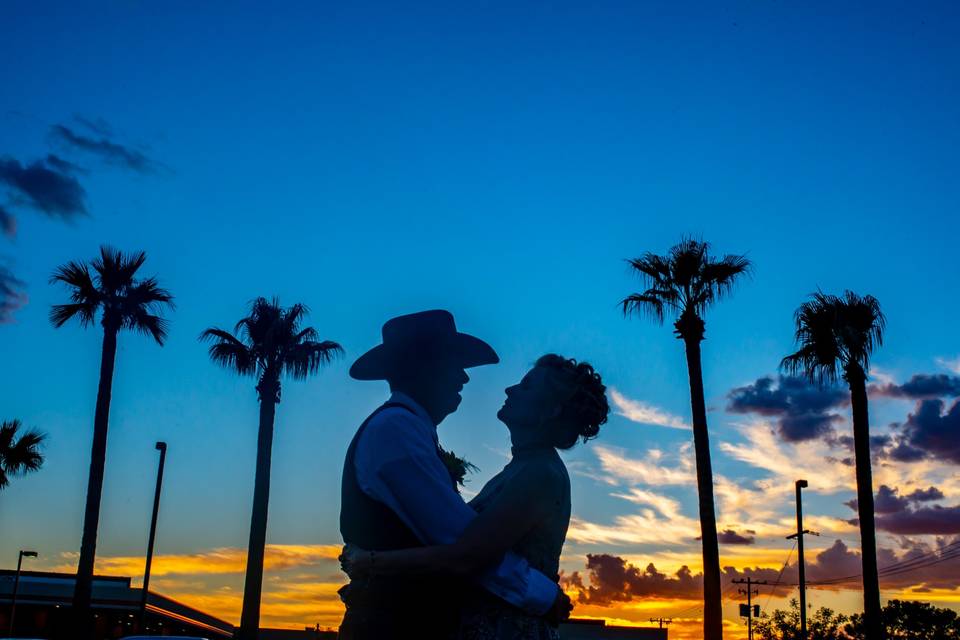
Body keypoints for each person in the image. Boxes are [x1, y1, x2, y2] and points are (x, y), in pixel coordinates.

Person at [338, 310, 572, 640]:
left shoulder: (407, 430)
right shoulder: (397, 431)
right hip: (394, 627)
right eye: (454, 365)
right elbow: (461, 544)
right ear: (424, 369)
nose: (464, 378)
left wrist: (372, 561)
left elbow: (467, 550)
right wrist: (544, 595)